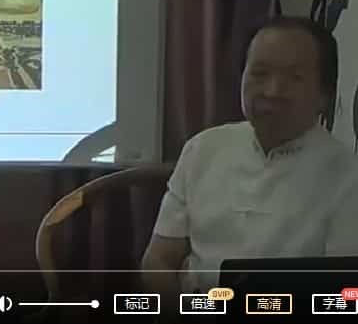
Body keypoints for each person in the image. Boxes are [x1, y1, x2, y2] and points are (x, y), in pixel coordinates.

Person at [141, 16, 358, 310]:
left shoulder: (348, 175)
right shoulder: (203, 148)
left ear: (325, 95)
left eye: (294, 77)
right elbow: (159, 259)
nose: (272, 91)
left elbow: (343, 293)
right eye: (259, 73)